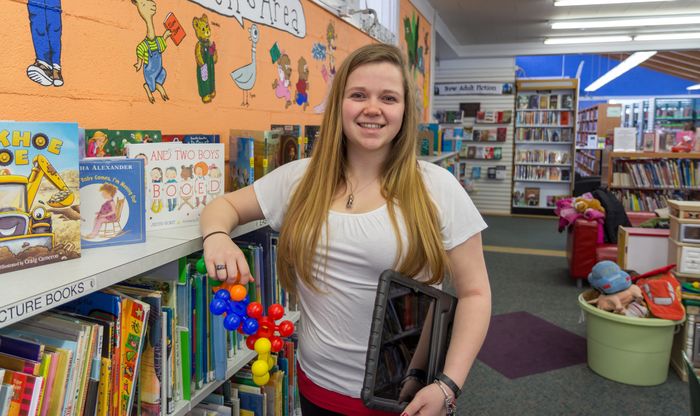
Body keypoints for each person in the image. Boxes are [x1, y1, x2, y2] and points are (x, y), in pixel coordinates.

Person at [199, 43, 491, 416]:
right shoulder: (300, 179)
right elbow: (221, 207)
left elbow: (476, 294)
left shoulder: (437, 186)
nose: (373, 108)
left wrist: (449, 385)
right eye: (358, 95)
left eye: (388, 97)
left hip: (403, 398)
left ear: (405, 110)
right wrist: (218, 237)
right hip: (316, 390)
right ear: (339, 105)